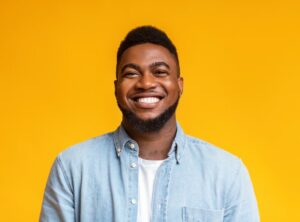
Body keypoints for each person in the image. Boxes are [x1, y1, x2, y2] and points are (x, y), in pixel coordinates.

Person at [40, 26, 259, 222]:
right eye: (132, 73)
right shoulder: (72, 168)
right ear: (117, 88)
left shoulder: (227, 173)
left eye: (160, 72)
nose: (145, 83)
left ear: (179, 85)